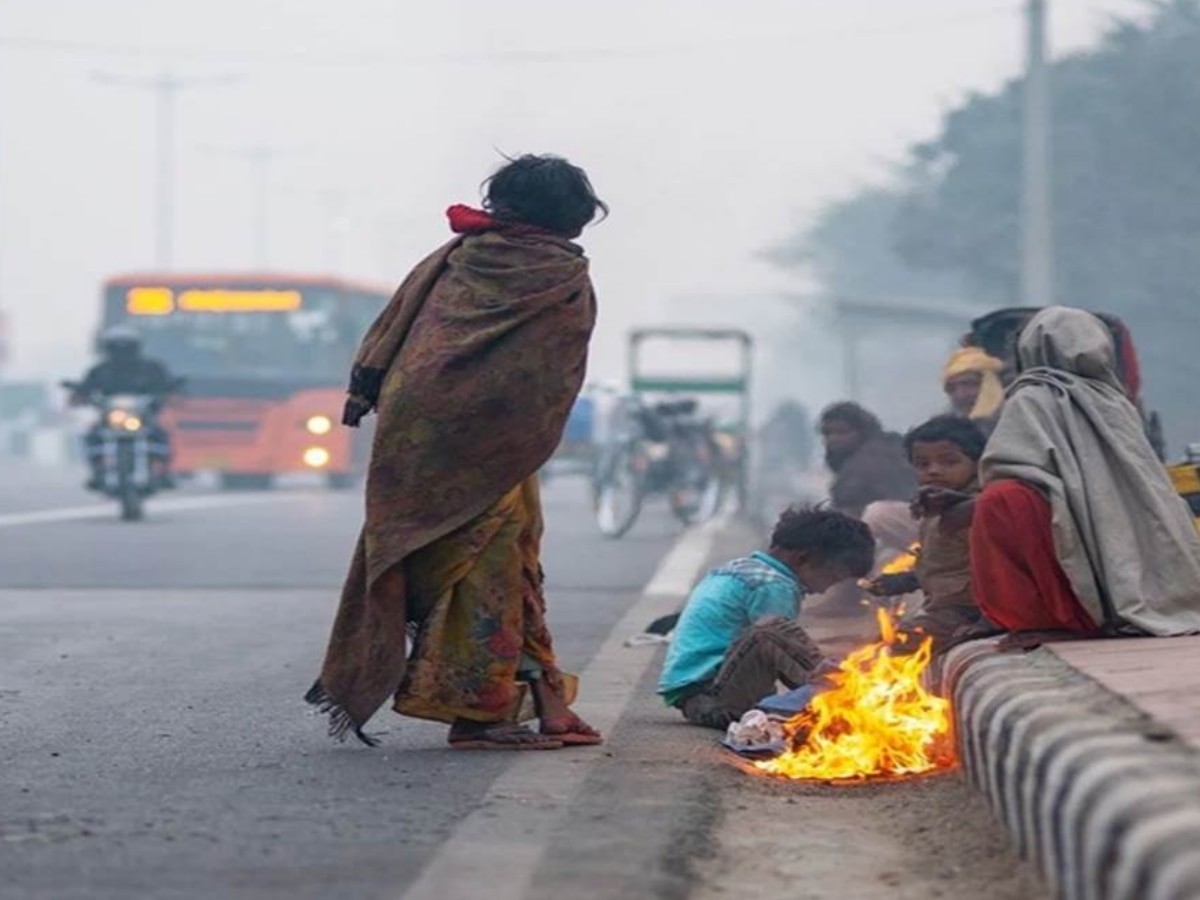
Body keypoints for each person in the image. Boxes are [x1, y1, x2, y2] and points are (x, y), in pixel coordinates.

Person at [306, 154, 608, 750]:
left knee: (513, 559)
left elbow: (395, 332)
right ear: (568, 216)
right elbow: (544, 375)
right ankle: (480, 717)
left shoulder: (456, 260)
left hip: (417, 433)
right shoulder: (557, 274)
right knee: (487, 570)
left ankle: (549, 702)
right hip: (493, 441)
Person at [971, 306, 1200, 640]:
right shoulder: (1115, 400)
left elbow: (1007, 465)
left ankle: (1050, 617)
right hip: (1110, 523)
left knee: (1001, 500)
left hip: (1059, 521)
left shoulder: (1031, 396)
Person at [658, 505, 875, 729]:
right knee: (772, 631)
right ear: (803, 559)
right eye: (832, 577)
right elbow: (779, 647)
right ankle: (843, 699)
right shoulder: (774, 585)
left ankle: (836, 695)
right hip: (716, 700)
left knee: (778, 636)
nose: (823, 590)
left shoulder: (742, 569)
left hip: (698, 697)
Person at [866, 415, 994, 651]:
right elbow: (950, 564)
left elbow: (999, 569)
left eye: (949, 462)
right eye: (923, 464)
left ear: (977, 463)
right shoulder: (934, 505)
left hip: (969, 612)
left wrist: (989, 619)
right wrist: (907, 580)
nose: (934, 471)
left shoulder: (977, 508)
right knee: (883, 645)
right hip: (944, 606)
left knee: (891, 649)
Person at [72, 326, 178, 490]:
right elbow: (85, 389)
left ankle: (164, 473)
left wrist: (167, 393)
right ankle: (97, 473)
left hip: (143, 418)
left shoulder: (151, 368)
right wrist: (81, 395)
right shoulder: (100, 370)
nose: (122, 354)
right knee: (91, 437)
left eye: (126, 348)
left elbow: (167, 385)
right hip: (110, 419)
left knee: (161, 436)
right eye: (116, 348)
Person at [819, 401, 918, 568]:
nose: (833, 439)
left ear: (862, 432)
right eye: (828, 433)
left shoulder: (877, 459)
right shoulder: (854, 460)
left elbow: (851, 507)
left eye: (842, 432)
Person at [942, 346, 1005, 435]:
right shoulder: (944, 426)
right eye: (952, 388)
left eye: (968, 384)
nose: (960, 394)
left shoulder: (1015, 416)